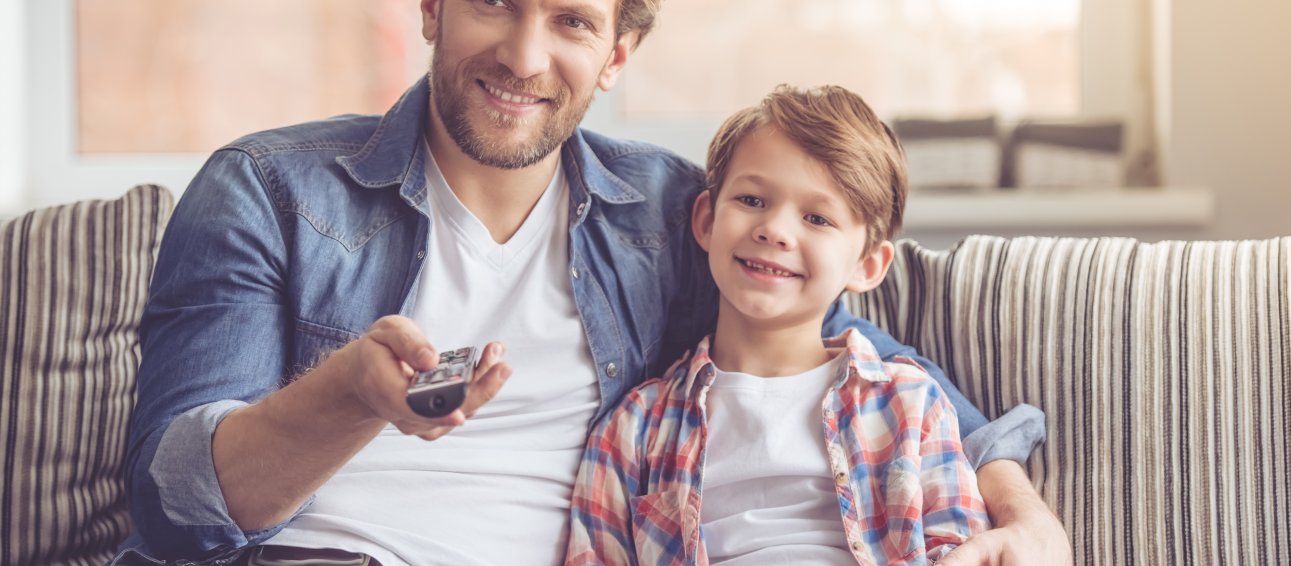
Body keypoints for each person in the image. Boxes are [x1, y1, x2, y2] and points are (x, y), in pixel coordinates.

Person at [115, 0, 1066, 564]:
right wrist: (347, 399)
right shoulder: (269, 189)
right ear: (432, 7)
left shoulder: (669, 213)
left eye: (570, 18)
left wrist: (1022, 515)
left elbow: (850, 358)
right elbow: (174, 507)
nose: (524, 58)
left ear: (616, 51)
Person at [566, 85, 989, 566]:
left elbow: (959, 547)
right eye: (751, 199)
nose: (775, 230)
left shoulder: (911, 405)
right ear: (705, 220)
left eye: (817, 217)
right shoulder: (634, 429)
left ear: (867, 265)